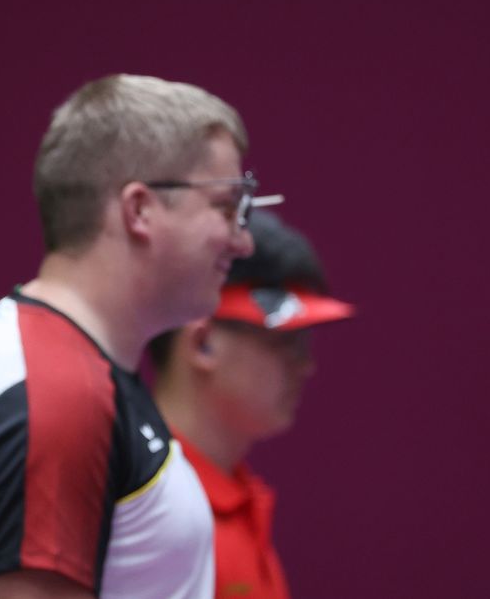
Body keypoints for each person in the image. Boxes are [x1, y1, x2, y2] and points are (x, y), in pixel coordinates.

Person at [0, 74, 259, 598]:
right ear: (140, 210)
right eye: (227, 209)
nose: (244, 241)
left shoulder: (69, 367)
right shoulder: (62, 393)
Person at [147, 211, 354, 599]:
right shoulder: (147, 506)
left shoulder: (237, 500)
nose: (305, 366)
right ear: (202, 342)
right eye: (286, 342)